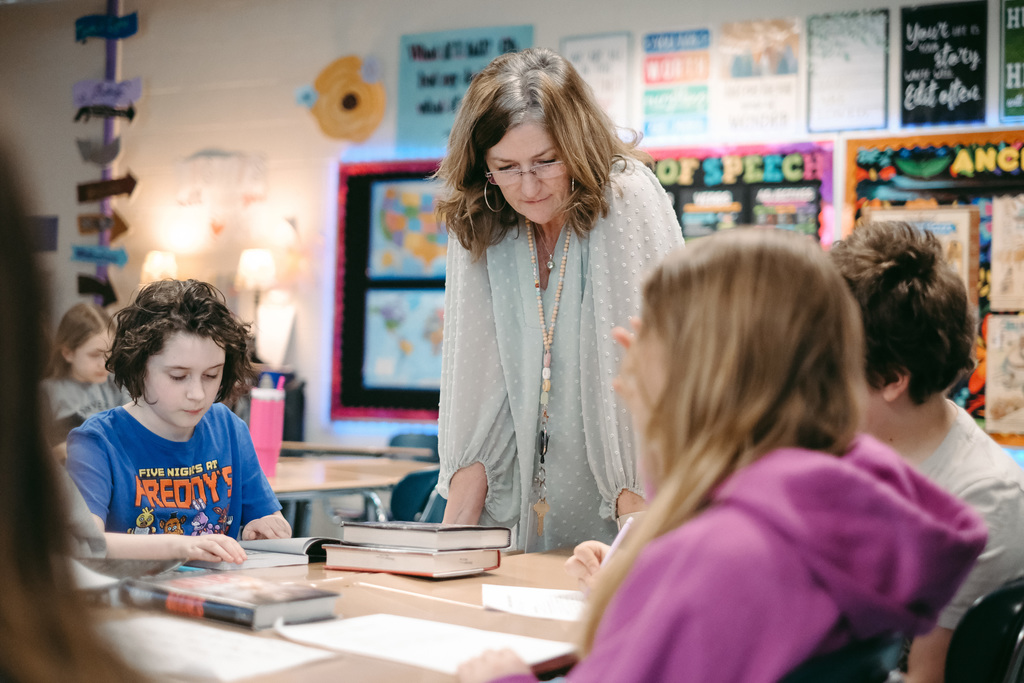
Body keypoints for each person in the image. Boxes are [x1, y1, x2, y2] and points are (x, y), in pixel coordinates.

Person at [457, 228, 986, 683]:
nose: (631, 353)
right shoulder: (825, 511)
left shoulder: (725, 560)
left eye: (658, 331)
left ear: (708, 366)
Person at [435, 47, 683, 551]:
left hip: (628, 506)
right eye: (505, 166)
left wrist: (638, 545)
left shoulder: (624, 196)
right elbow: (476, 381)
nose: (527, 187)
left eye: (546, 161)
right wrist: (451, 539)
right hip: (517, 501)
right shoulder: (483, 211)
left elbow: (639, 377)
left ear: (578, 145)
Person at [830, 220, 1024, 683]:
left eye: (831, 358)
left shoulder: (982, 501)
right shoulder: (842, 444)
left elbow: (926, 676)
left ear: (893, 379)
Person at [0, 144, 139, 680]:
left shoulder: (106, 393)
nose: (104, 367)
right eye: (93, 357)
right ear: (62, 350)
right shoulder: (48, 399)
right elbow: (69, 447)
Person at [66, 279, 291, 562]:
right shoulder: (98, 441)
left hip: (220, 597)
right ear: (138, 368)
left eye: (211, 375)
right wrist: (180, 547)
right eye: (177, 376)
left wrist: (263, 528)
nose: (197, 394)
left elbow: (266, 517)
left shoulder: (229, 428)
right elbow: (86, 544)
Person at [41, 302, 130, 446]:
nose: (105, 364)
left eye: (110, 353)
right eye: (95, 355)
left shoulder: (115, 384)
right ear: (68, 353)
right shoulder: (49, 393)